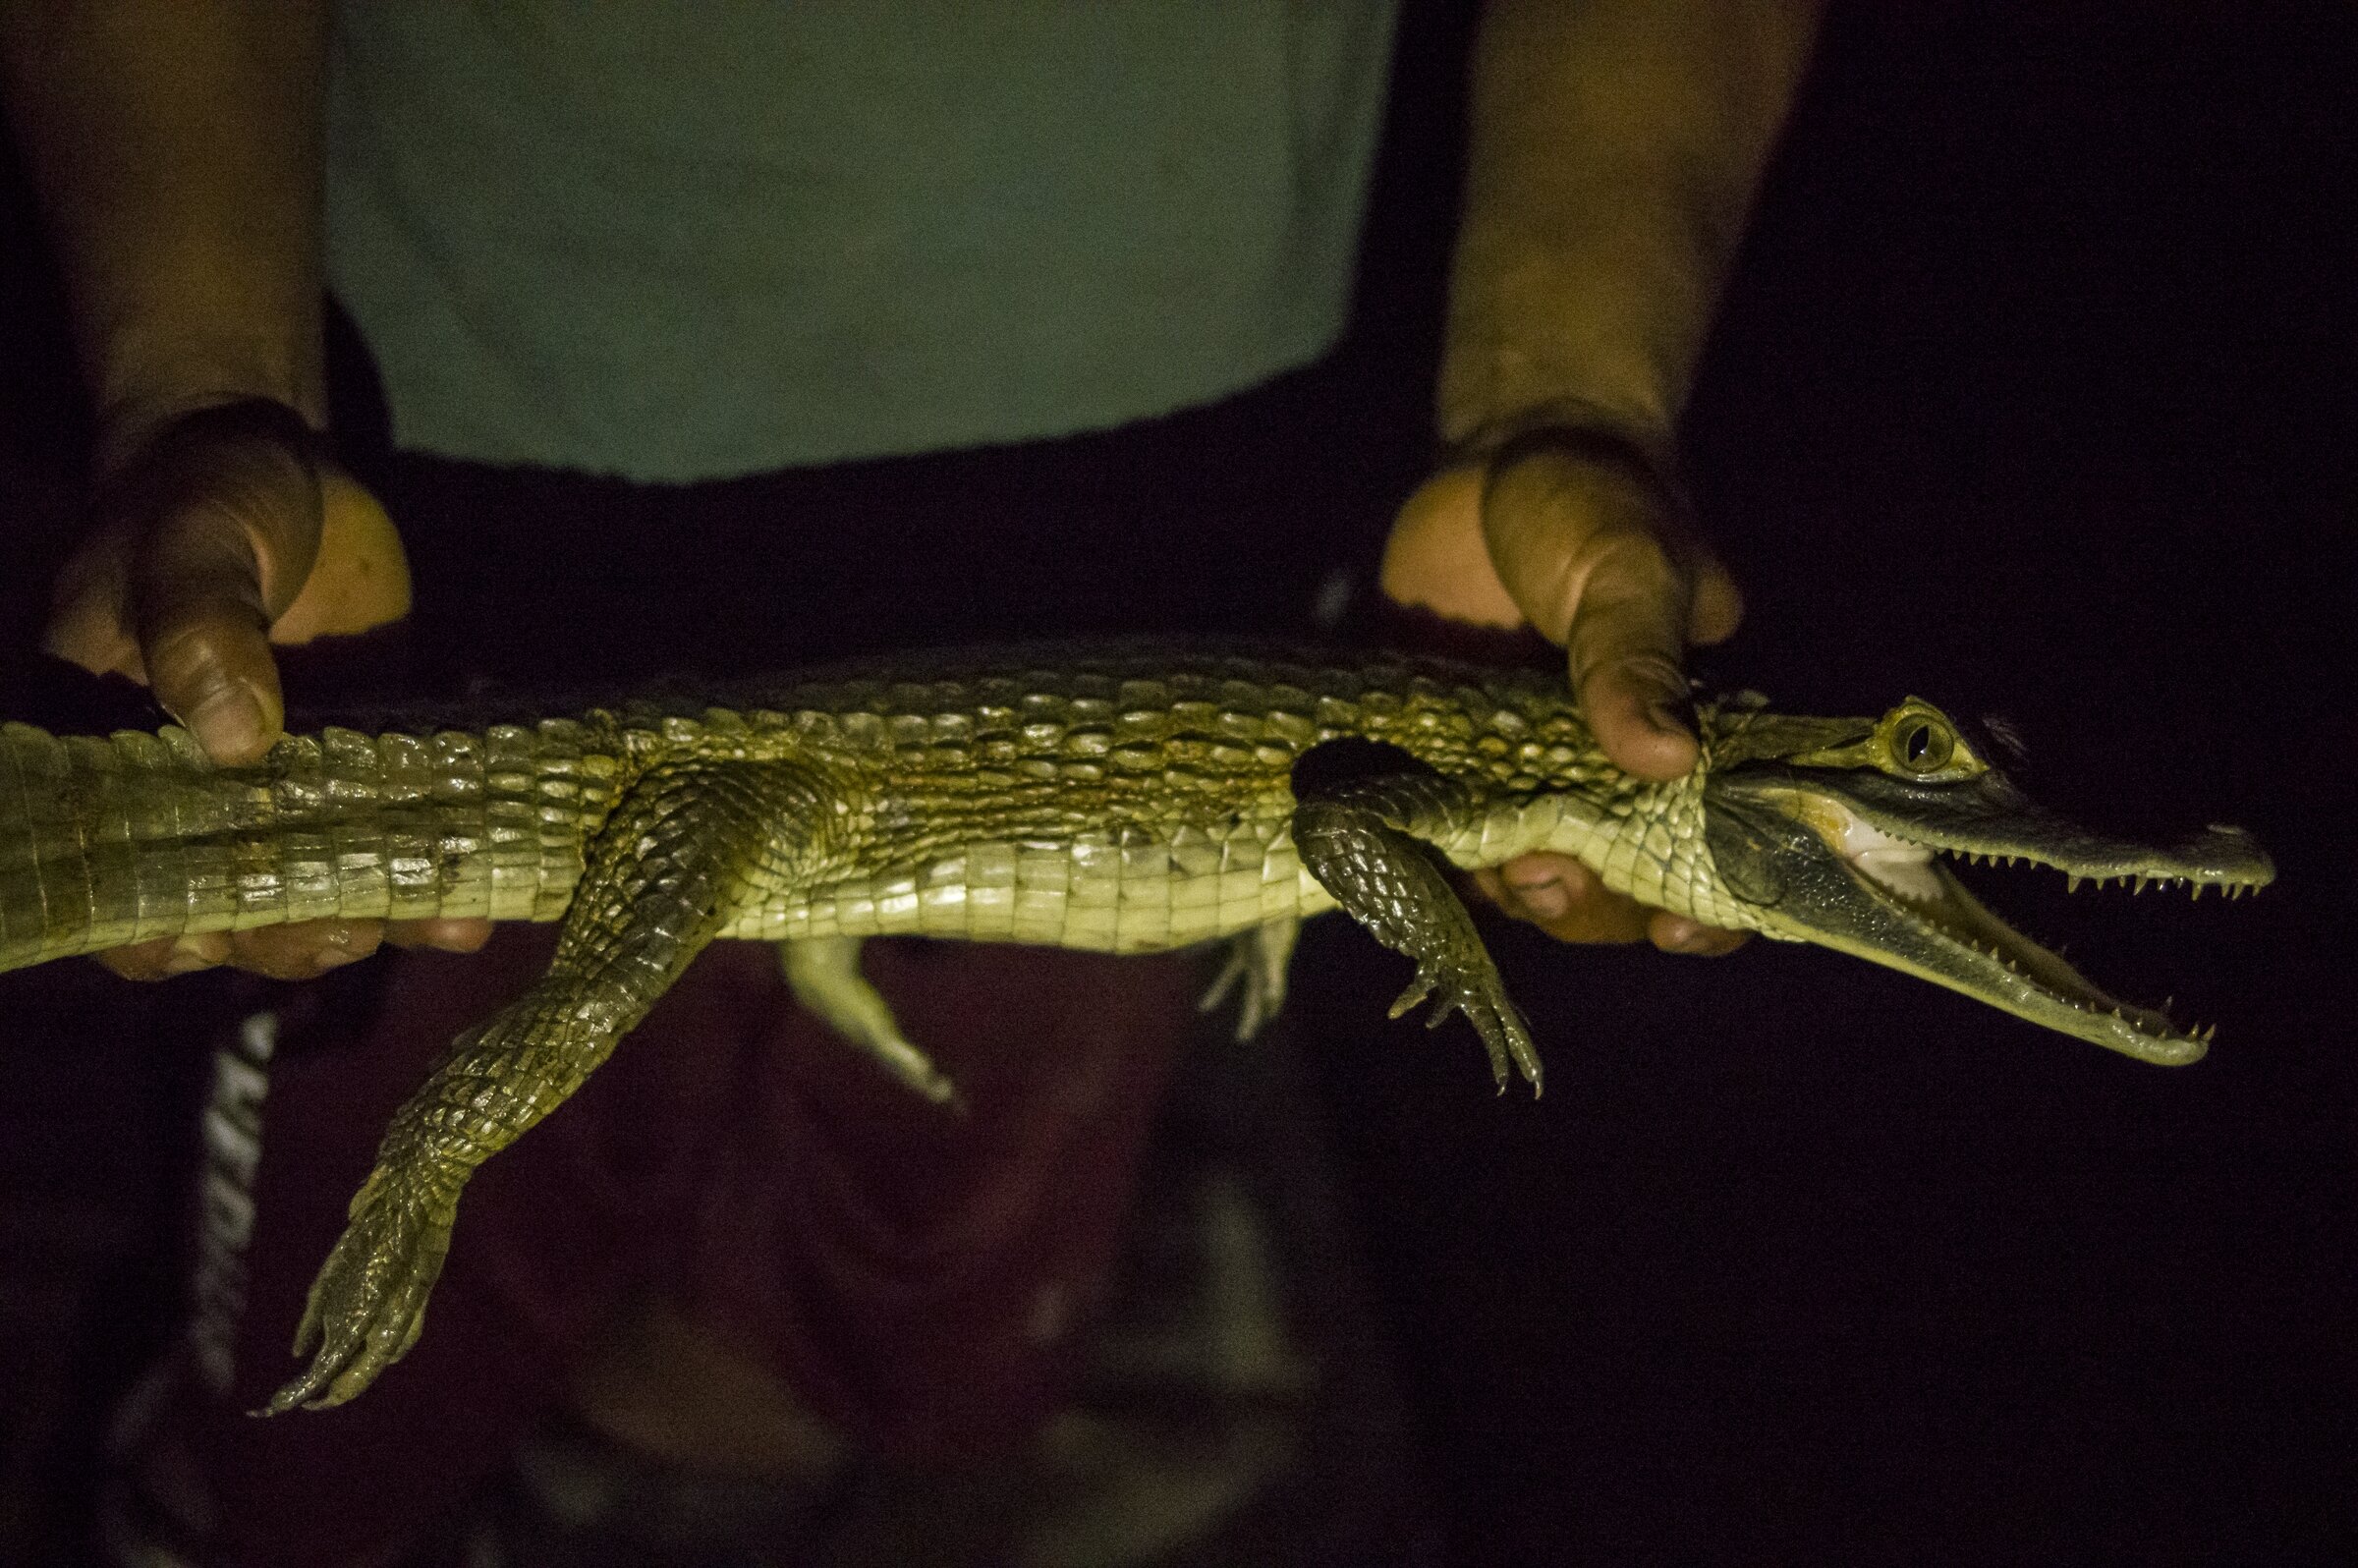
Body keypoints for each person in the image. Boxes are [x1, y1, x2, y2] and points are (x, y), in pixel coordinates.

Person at [1, 3, 1818, 1562]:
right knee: (322, 1413)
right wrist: (208, 394)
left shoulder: (1443, 729)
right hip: (465, 525)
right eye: (1902, 755)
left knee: (861, 1309)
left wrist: (1563, 407)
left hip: (1183, 541)